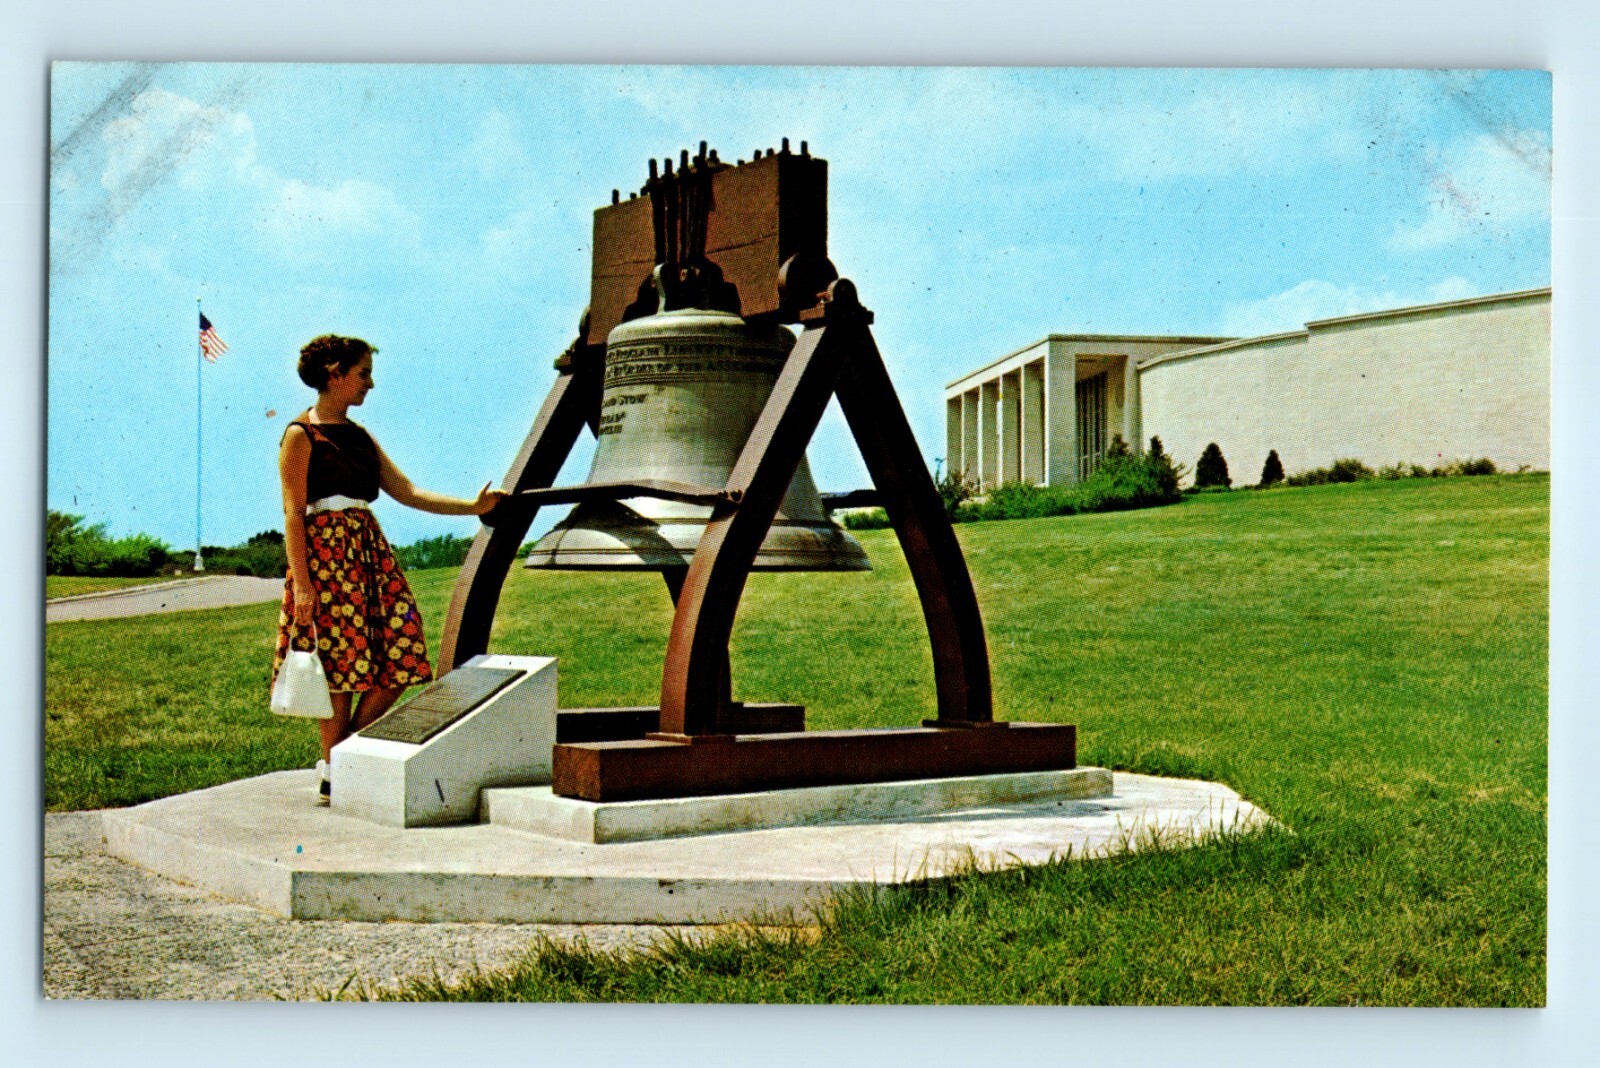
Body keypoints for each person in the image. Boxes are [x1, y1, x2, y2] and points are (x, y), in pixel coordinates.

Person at [271, 334, 506, 804]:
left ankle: (341, 761)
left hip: (369, 556)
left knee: (401, 655)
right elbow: (294, 514)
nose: (370, 385)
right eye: (362, 374)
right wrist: (302, 586)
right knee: (340, 671)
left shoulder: (360, 437)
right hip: (324, 561)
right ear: (334, 374)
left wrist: (473, 507)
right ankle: (338, 770)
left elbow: (409, 491)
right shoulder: (300, 435)